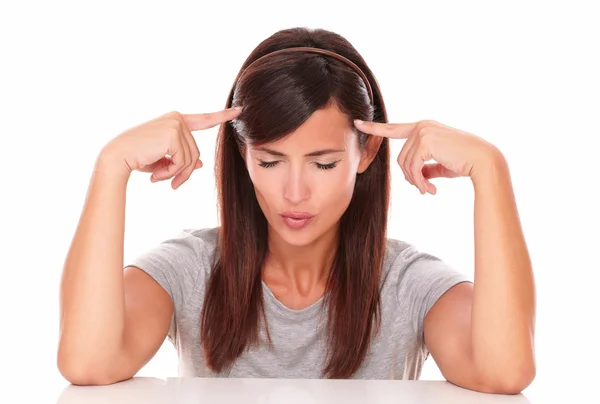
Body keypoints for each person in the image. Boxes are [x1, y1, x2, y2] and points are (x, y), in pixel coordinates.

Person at [57, 27, 536, 394]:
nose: (294, 193)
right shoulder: (190, 268)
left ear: (366, 153)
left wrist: (491, 172)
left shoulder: (408, 282)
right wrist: (109, 167)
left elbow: (505, 372)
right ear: (243, 156)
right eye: (269, 161)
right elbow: (86, 363)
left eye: (323, 163)